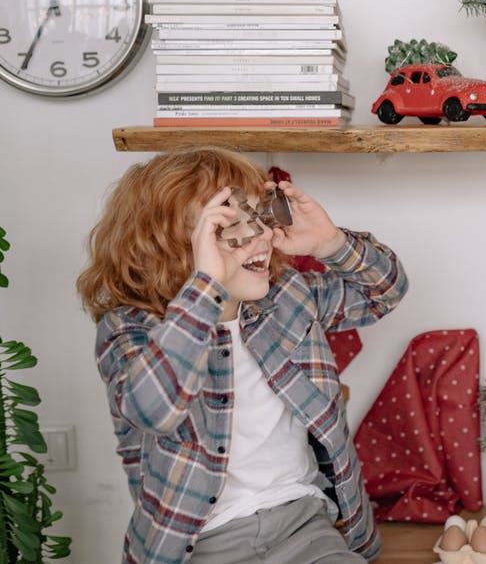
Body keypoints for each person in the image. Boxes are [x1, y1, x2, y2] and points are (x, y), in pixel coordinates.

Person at [76, 147, 408, 562]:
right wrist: (205, 287)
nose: (261, 237)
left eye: (260, 217)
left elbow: (384, 292)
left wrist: (330, 243)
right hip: (199, 544)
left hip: (304, 526)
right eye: (229, 226)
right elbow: (154, 410)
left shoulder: (289, 296)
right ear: (170, 245)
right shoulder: (129, 328)